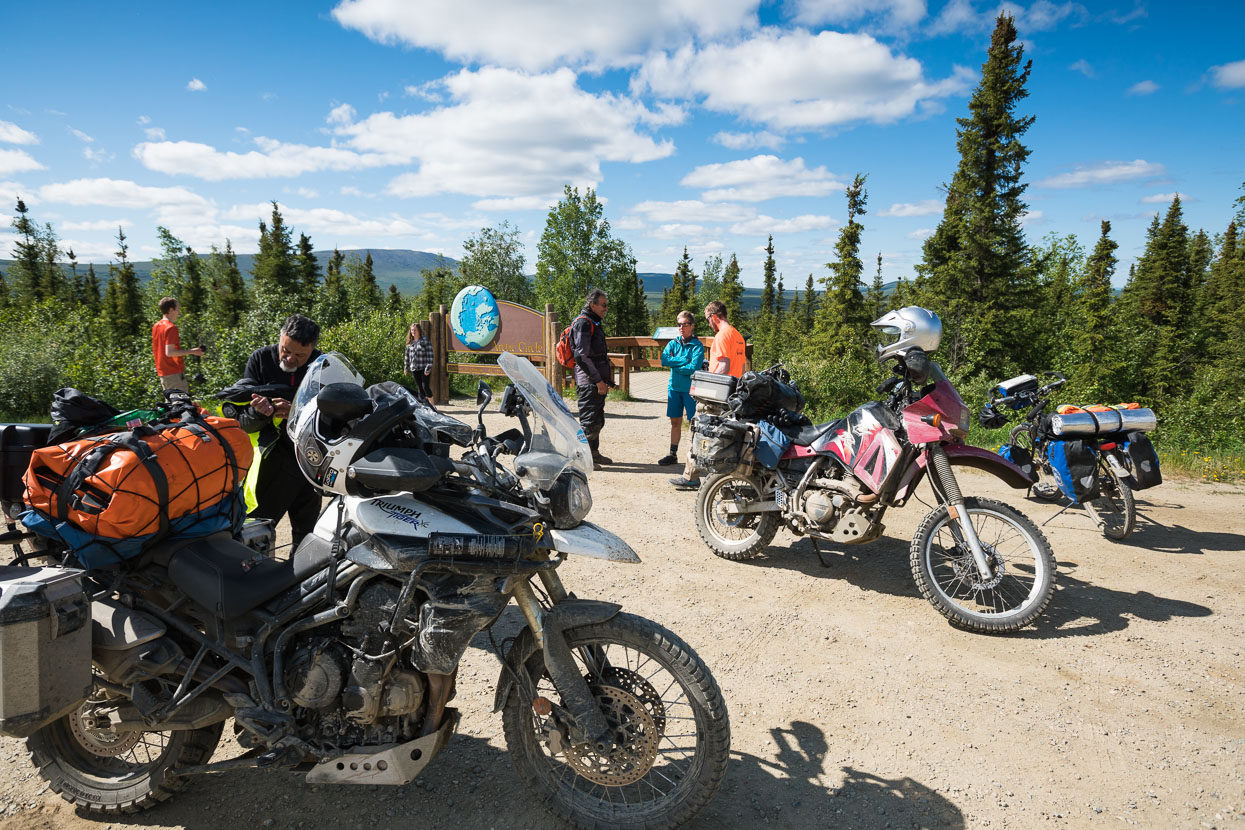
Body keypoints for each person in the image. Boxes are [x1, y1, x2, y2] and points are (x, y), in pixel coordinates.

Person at [237, 314, 323, 548]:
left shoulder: (321, 366)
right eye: (285, 350)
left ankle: (302, 582)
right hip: (269, 463)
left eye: (300, 355)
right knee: (256, 532)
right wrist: (258, 412)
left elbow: (333, 419)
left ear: (312, 350)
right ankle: (259, 580)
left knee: (307, 536)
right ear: (280, 338)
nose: (290, 358)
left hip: (307, 463)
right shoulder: (261, 359)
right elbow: (242, 424)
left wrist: (298, 412)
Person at [669, 300, 747, 490]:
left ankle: (691, 477)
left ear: (714, 316)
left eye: (708, 320)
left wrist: (706, 383)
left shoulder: (721, 336)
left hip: (716, 396)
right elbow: (742, 368)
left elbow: (723, 367)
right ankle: (722, 479)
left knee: (697, 431)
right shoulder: (738, 336)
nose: (709, 324)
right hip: (733, 395)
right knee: (724, 437)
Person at [570, 288, 614, 466]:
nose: (606, 308)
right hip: (589, 381)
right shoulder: (584, 324)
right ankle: (582, 459)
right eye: (603, 305)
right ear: (592, 305)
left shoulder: (593, 322)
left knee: (597, 420)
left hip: (595, 381)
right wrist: (597, 380)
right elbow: (581, 355)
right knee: (588, 422)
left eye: (607, 305)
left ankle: (593, 453)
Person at [658, 310, 704, 466]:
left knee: (693, 423)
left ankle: (694, 455)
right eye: (679, 324)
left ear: (692, 326)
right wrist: (684, 360)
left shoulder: (697, 346)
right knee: (675, 422)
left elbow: (693, 368)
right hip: (674, 388)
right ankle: (672, 454)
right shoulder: (673, 343)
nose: (681, 327)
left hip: (690, 390)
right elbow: (664, 360)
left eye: (685, 324)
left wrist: (675, 365)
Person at [151, 297, 203, 394]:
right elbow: (170, 352)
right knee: (181, 404)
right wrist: (192, 351)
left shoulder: (156, 326)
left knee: (171, 404)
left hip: (163, 372)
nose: (179, 312)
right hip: (173, 372)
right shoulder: (171, 328)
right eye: (177, 309)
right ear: (171, 310)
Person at [404, 322, 433, 401]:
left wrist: (428, 368)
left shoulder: (425, 341)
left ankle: (433, 405)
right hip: (414, 368)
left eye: (415, 330)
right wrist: (405, 368)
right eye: (412, 330)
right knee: (420, 387)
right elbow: (407, 356)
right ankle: (425, 405)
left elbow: (430, 355)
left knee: (425, 386)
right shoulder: (410, 342)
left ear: (419, 330)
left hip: (424, 367)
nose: (413, 331)